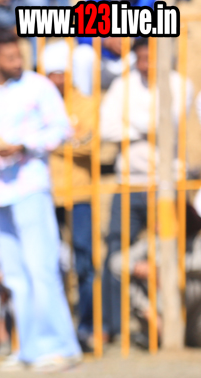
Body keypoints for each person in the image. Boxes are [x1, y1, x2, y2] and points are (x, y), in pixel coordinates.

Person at [0, 31, 80, 371]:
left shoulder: (38, 87)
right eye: (10, 57)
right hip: (1, 193)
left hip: (31, 187)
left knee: (42, 268)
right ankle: (29, 349)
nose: (17, 62)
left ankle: (61, 346)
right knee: (15, 275)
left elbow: (61, 129)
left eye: (19, 55)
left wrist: (24, 144)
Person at [98, 39, 195, 345]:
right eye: (140, 59)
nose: (146, 65)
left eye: (150, 58)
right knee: (116, 251)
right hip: (131, 182)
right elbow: (106, 128)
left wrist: (132, 124)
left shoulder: (181, 85)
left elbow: (169, 122)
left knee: (175, 251)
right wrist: (146, 127)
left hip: (168, 183)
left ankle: (176, 323)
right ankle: (113, 328)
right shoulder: (122, 86)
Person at [43, 41, 98, 350]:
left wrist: (53, 142)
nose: (56, 80)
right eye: (51, 74)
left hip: (79, 193)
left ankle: (86, 328)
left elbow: (90, 143)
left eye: (60, 73)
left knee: (84, 261)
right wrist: (67, 141)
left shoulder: (86, 103)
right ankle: (56, 328)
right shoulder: (40, 102)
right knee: (49, 263)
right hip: (48, 193)